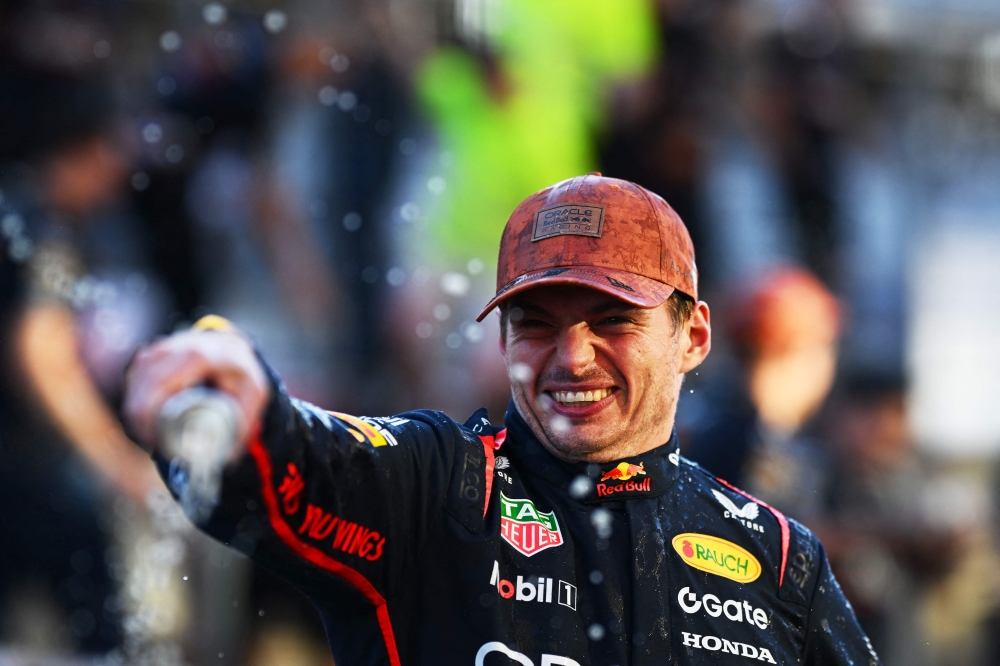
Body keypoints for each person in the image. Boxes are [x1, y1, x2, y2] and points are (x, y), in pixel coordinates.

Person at [122, 174, 879, 665]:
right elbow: (293, 462)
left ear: (694, 338)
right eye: (537, 323)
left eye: (612, 320)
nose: (572, 357)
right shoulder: (438, 485)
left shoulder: (780, 557)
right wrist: (234, 402)